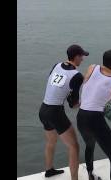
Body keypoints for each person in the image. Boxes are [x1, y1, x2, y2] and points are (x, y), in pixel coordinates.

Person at [39, 44, 88, 180]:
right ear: (76, 57)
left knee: (51, 141)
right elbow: (73, 105)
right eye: (82, 56)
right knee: (74, 146)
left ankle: (49, 170)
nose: (83, 59)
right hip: (55, 112)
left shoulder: (57, 65)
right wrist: (87, 102)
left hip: (43, 109)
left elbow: (54, 85)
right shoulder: (77, 76)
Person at [77, 49, 111, 180]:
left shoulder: (92, 67)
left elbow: (86, 83)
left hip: (81, 116)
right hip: (95, 119)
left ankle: (90, 174)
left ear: (103, 59)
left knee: (90, 145)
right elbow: (106, 100)